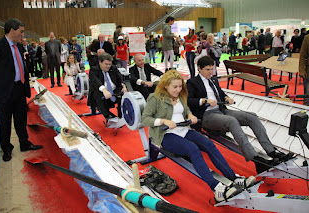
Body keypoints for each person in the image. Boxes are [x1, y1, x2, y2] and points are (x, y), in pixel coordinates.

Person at [141, 69, 255, 202]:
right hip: (165, 134)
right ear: (165, 85)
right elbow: (145, 119)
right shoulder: (154, 98)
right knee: (192, 149)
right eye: (175, 87)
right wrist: (163, 121)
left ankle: (233, 177)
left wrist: (190, 115)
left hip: (183, 130)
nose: (178, 90)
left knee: (208, 144)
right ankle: (216, 188)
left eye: (180, 86)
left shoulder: (180, 96)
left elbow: (186, 109)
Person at [186, 56, 289, 173]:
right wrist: (204, 101)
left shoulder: (213, 80)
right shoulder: (192, 82)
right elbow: (188, 101)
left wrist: (226, 97)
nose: (211, 72)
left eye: (212, 69)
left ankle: (271, 151)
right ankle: (256, 160)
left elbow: (220, 93)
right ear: (199, 68)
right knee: (231, 121)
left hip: (221, 111)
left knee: (252, 116)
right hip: (207, 116)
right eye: (207, 70)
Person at [0, 18, 43, 162]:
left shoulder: (19, 47)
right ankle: (6, 148)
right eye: (21, 31)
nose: (23, 35)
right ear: (12, 30)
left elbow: (21, 67)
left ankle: (24, 143)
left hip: (19, 88)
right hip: (4, 91)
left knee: (21, 118)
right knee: (5, 121)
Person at [89, 53, 127, 123]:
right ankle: (108, 116)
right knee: (98, 93)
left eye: (109, 64)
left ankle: (121, 115)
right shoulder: (94, 70)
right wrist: (104, 90)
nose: (108, 66)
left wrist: (124, 86)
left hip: (114, 90)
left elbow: (120, 78)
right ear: (100, 62)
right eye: (106, 64)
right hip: (101, 91)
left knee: (123, 93)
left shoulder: (113, 68)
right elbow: (96, 81)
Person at [299, 34, 309, 105]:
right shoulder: (307, 38)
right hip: (308, 72)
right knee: (307, 97)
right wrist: (302, 70)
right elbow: (302, 55)